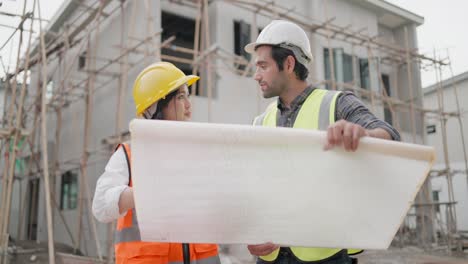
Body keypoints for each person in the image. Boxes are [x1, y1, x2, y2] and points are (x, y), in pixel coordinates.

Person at [244, 20, 401, 264]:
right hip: (270, 257)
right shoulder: (260, 121)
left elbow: (389, 134)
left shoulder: (336, 104)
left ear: (288, 64)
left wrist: (362, 134)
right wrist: (251, 231)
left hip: (324, 254)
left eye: (263, 66)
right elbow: (254, 189)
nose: (256, 75)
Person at [92, 62, 221, 264]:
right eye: (180, 97)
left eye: (188, 96)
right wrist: (147, 192)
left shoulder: (197, 152)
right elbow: (100, 206)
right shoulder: (130, 153)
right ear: (157, 107)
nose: (189, 105)